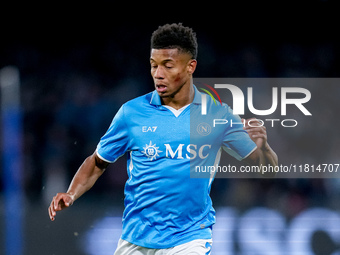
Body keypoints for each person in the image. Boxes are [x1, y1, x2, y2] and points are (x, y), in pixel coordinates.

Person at [48, 23, 278, 254]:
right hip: (136, 238)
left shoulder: (217, 115)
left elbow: (266, 169)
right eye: (153, 65)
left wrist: (264, 147)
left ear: (190, 66)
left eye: (168, 66)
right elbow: (97, 162)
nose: (158, 74)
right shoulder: (132, 113)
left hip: (190, 238)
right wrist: (71, 193)